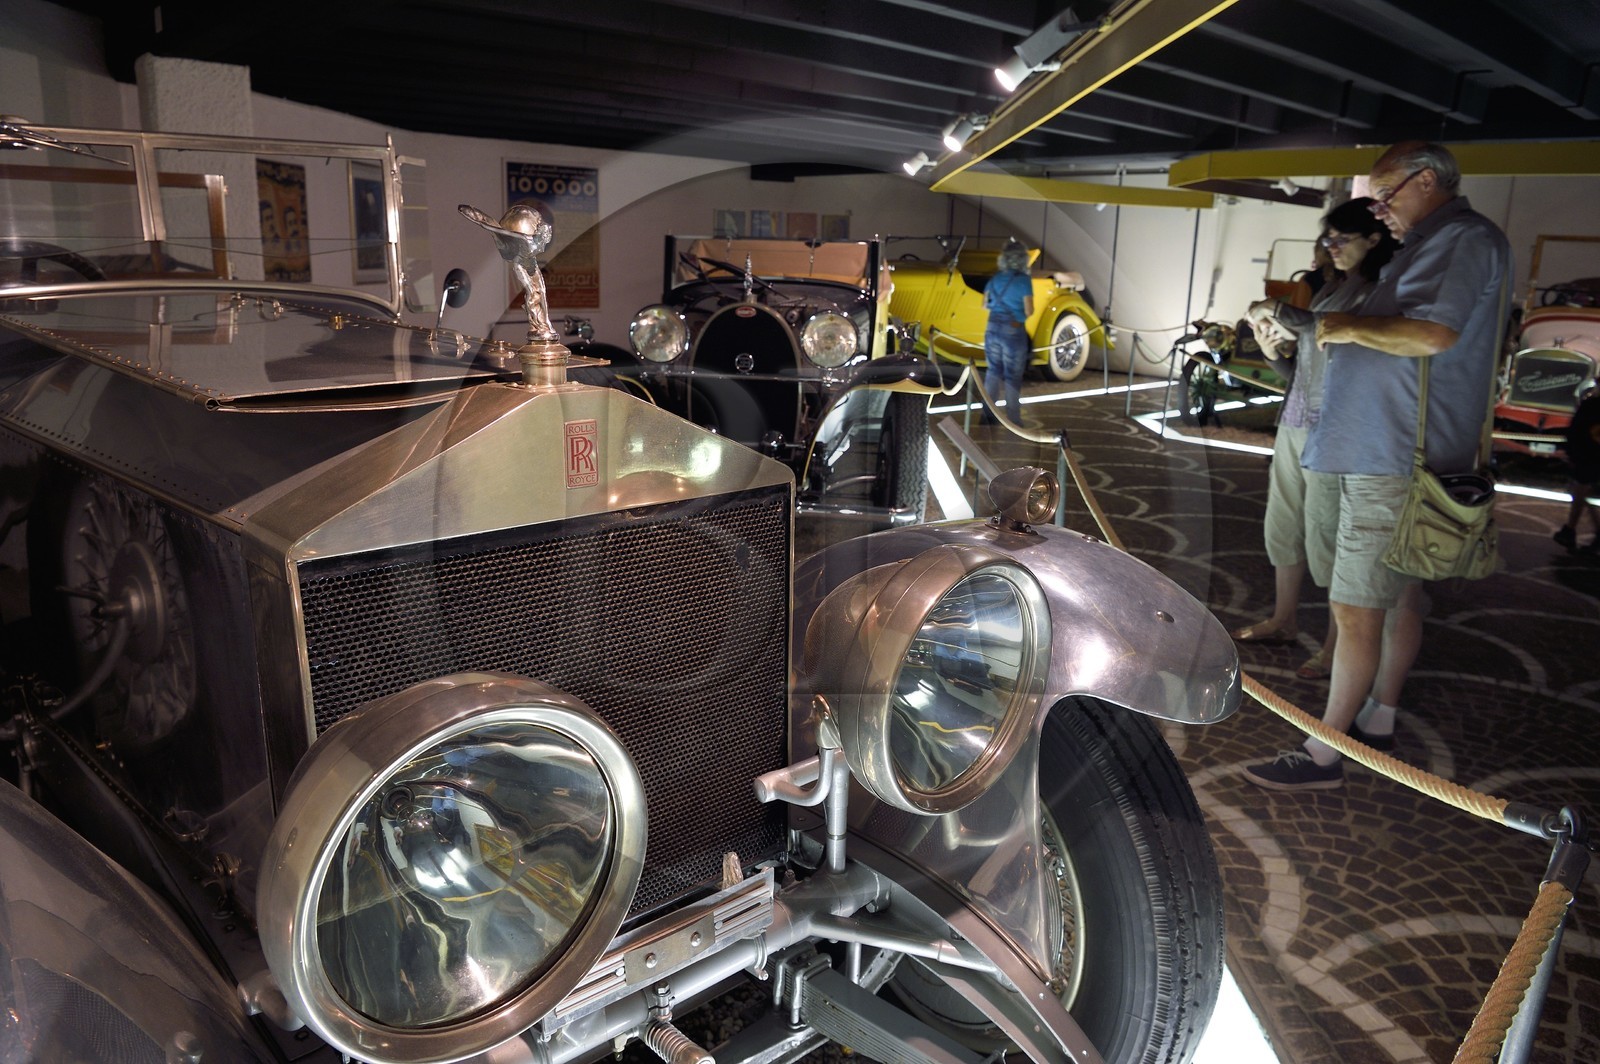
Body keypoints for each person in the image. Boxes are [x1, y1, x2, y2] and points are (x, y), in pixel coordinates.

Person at [1242, 141, 1512, 791]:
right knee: (1386, 600)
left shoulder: (1463, 238)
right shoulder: (1427, 242)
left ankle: (1325, 752)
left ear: (1426, 181)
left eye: (1386, 195)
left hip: (1391, 455)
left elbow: (1431, 334)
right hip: (1373, 448)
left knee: (1357, 606)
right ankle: (1377, 717)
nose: (1379, 209)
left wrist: (1339, 329)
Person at [1233, 201, 1398, 683]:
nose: (1331, 250)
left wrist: (1280, 309)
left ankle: (1334, 642)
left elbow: (1329, 335)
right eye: (1328, 242)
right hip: (1298, 419)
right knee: (1283, 522)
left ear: (1372, 239)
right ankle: (1284, 619)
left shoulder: (1376, 294)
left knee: (1325, 531)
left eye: (1339, 240)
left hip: (1335, 429)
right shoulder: (1335, 288)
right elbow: (1305, 368)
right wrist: (1273, 354)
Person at [982, 239, 1034, 426]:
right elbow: (1029, 311)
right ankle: (1013, 419)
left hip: (992, 328)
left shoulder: (995, 279)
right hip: (1013, 331)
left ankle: (987, 415)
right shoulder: (1024, 281)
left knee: (993, 372)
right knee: (1013, 376)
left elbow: (984, 304)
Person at [1553, 381, 1600, 553]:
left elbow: (1576, 430)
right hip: (1592, 456)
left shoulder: (1590, 405)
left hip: (1586, 456)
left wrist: (1571, 451)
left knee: (1580, 492)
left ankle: (1570, 530)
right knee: (1581, 492)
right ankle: (1572, 530)